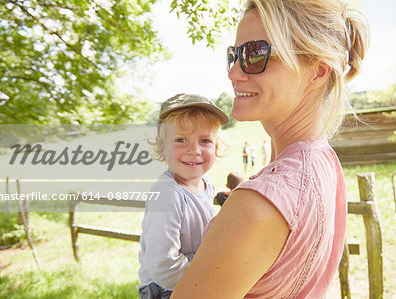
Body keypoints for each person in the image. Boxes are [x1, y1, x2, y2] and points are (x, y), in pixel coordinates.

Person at [171, 0, 369, 298]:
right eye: (234, 55)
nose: (234, 73)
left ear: (317, 71)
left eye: (256, 54)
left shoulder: (257, 204)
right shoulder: (323, 161)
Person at [138, 93, 229, 299]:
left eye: (205, 140)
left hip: (191, 279)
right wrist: (207, 280)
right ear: (161, 147)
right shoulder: (167, 194)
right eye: (181, 140)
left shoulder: (207, 184)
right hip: (167, 289)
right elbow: (163, 266)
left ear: (216, 148)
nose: (194, 150)